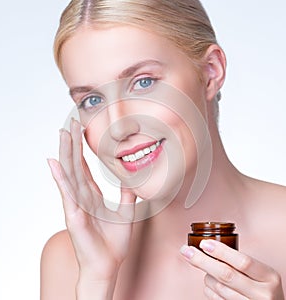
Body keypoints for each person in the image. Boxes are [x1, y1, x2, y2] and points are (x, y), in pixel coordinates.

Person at [41, 0, 286, 299]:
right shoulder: (70, 261)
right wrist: (96, 281)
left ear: (210, 71)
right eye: (92, 100)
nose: (118, 128)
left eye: (143, 82)